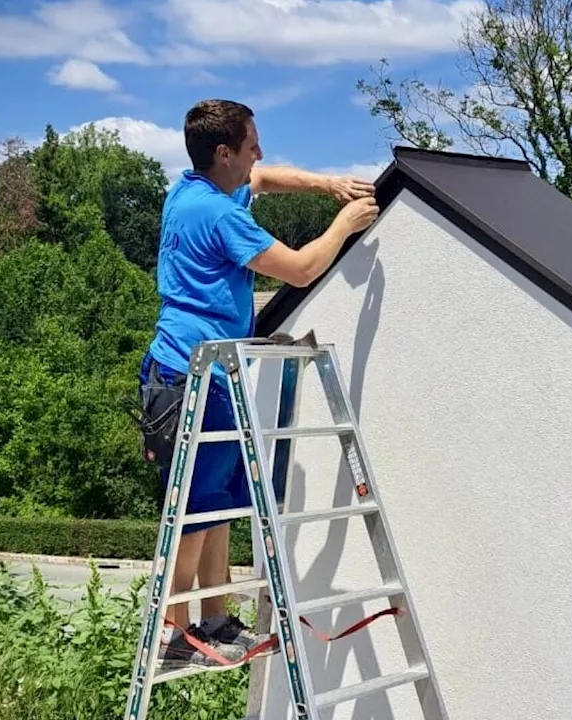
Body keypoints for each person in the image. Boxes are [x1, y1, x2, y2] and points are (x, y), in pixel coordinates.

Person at [136, 98, 380, 668]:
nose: (260, 154)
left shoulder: (196, 190)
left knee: (216, 505)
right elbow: (298, 269)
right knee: (194, 513)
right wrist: (343, 224)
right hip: (189, 376)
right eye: (250, 144)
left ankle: (214, 621)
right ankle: (176, 639)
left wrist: (326, 185)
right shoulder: (219, 215)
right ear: (225, 153)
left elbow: (265, 178)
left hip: (206, 372)